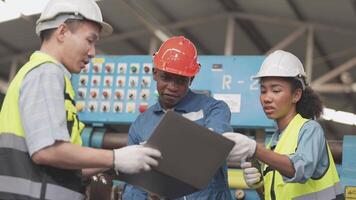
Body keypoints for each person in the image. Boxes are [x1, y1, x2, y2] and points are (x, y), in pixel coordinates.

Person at [0, 0, 161, 199]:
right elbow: (47, 151)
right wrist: (114, 157)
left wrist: (121, 160)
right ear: (62, 32)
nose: (92, 52)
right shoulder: (46, 73)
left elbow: (65, 164)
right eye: (89, 40)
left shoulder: (51, 77)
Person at [122, 36, 234, 199]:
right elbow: (135, 184)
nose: (172, 87)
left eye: (181, 81)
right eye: (166, 78)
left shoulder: (214, 109)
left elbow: (215, 143)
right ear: (155, 73)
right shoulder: (141, 124)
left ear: (192, 79)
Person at [223, 50, 343, 200]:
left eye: (276, 90)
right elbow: (272, 195)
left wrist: (255, 149)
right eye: (263, 90)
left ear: (296, 95)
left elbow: (300, 170)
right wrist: (259, 184)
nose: (267, 98)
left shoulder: (310, 129)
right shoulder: (274, 143)